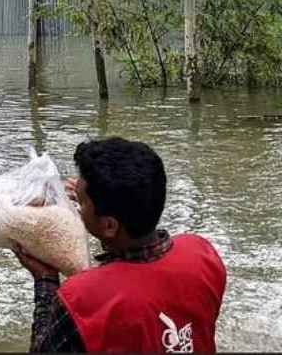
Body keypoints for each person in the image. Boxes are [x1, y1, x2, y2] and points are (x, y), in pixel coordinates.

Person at [12, 137, 226, 352]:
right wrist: (87, 202)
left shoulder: (81, 298)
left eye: (81, 201)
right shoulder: (201, 252)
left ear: (109, 225)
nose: (77, 202)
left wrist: (45, 280)